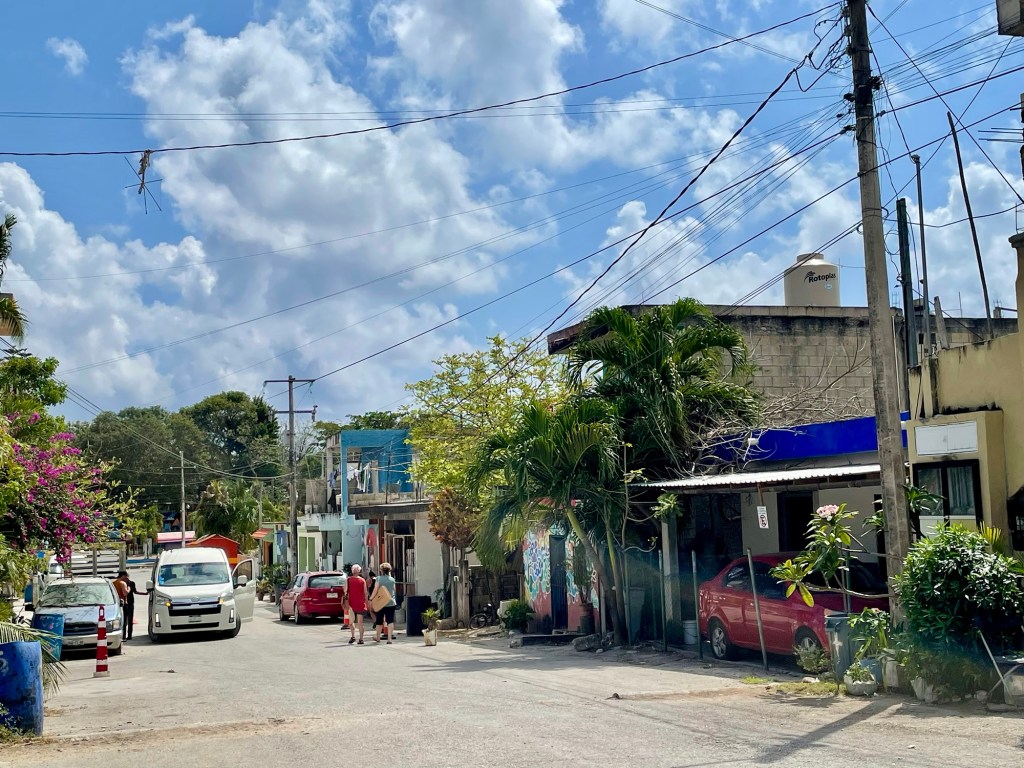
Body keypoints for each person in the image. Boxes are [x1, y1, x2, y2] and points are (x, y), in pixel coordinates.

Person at [113, 571, 147, 642]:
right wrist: (128, 589)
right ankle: (124, 636)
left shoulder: (131, 583)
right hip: (124, 603)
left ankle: (129, 635)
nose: (127, 578)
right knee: (124, 620)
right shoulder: (121, 583)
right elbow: (125, 593)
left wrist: (145, 593)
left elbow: (135, 591)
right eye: (126, 577)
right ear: (123, 576)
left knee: (130, 619)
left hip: (130, 602)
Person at [370, 562, 397, 645]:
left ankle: (378, 637)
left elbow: (375, 590)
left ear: (381, 570)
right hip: (391, 602)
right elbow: (394, 590)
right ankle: (389, 639)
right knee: (390, 621)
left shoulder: (378, 579)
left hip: (381, 602)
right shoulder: (392, 579)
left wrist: (371, 598)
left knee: (379, 620)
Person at [345, 564, 367, 645]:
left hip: (351, 603)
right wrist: (366, 602)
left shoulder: (348, 580)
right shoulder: (362, 580)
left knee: (351, 621)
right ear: (359, 571)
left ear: (352, 571)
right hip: (360, 603)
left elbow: (345, 590)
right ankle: (361, 639)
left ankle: (353, 636)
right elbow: (365, 592)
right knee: (360, 623)